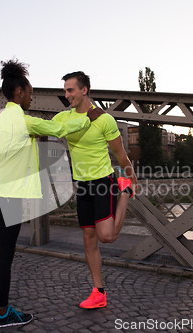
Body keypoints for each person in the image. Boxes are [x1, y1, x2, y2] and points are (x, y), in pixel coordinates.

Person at [0, 60, 103, 327]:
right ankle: (2, 313)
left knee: (4, 239)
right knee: (5, 254)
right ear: (19, 93)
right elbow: (59, 129)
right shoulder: (25, 121)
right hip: (12, 196)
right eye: (30, 91)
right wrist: (87, 117)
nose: (32, 95)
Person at [52, 71, 137, 309]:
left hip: (103, 182)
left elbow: (120, 153)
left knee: (107, 236)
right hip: (82, 186)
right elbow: (43, 128)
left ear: (84, 90)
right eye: (65, 90)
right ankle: (98, 293)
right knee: (89, 240)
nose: (66, 94)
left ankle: (125, 193)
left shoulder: (104, 120)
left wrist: (132, 178)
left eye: (70, 90)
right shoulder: (63, 119)